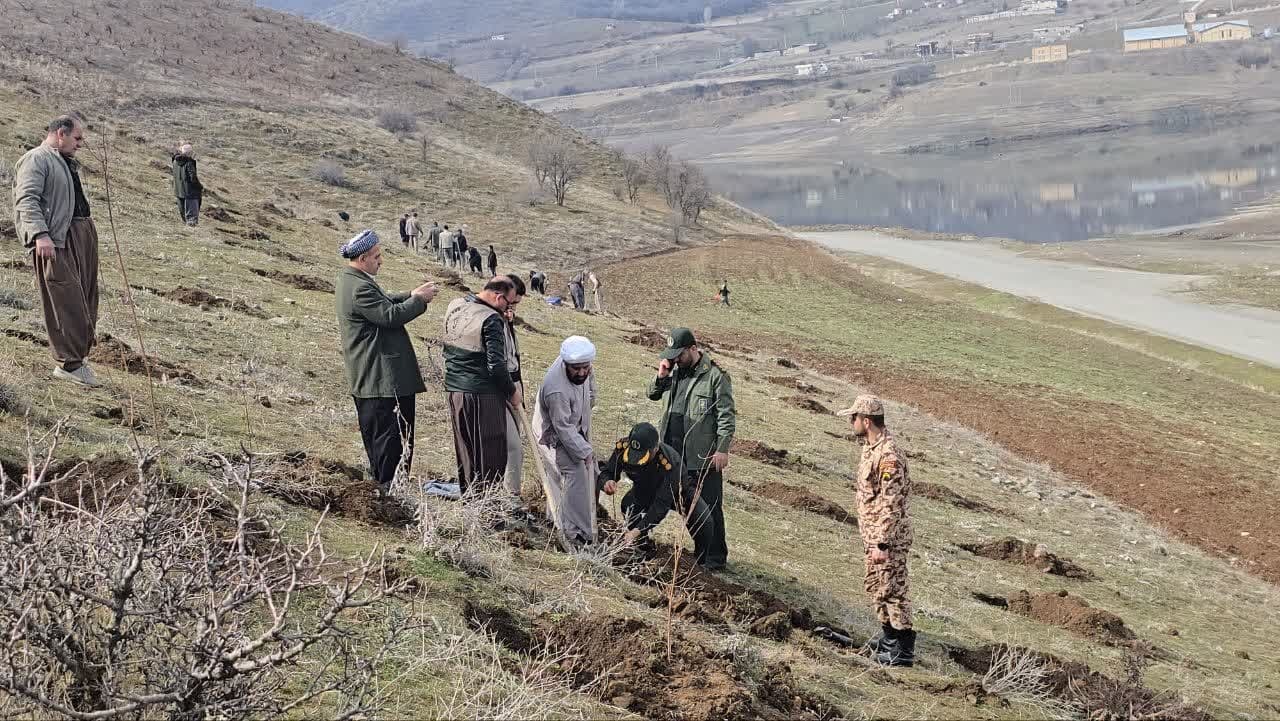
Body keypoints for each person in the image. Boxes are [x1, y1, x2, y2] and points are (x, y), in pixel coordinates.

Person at [335, 230, 438, 494]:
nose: (380, 261)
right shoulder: (359, 288)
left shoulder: (353, 280)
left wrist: (409, 294)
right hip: (381, 378)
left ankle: (385, 486)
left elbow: (384, 300)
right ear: (362, 258)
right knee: (391, 439)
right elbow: (389, 316)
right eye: (376, 256)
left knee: (384, 437)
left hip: (375, 378)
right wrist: (419, 300)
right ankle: (388, 492)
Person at [13, 115, 102, 387]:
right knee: (66, 298)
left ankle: (78, 360)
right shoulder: (36, 159)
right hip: (56, 241)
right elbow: (26, 199)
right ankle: (69, 365)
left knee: (86, 297)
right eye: (76, 138)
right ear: (60, 134)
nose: (79, 144)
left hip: (79, 236)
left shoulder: (62, 160)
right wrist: (40, 235)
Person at [836, 394, 916, 667]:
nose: (851, 422)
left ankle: (902, 651)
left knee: (893, 590)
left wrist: (882, 543)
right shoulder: (871, 448)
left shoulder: (888, 455)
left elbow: (891, 504)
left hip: (888, 539)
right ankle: (888, 639)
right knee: (877, 587)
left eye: (854, 418)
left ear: (866, 421)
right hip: (873, 536)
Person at [647, 327, 735, 570]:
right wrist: (662, 375)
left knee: (710, 507)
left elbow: (726, 417)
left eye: (679, 354)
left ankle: (715, 559)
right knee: (689, 507)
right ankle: (701, 553)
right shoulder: (674, 373)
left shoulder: (716, 377)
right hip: (673, 454)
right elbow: (652, 394)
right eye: (672, 355)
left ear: (693, 349)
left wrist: (723, 449)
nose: (675, 359)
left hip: (702, 457)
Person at [442, 276, 521, 493]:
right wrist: (512, 392)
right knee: (490, 454)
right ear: (498, 297)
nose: (508, 309)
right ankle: (489, 508)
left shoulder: (455, 306)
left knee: (466, 451)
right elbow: (496, 365)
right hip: (483, 395)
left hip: (456, 391)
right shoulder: (491, 319)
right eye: (509, 303)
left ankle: (470, 502)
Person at [599, 422, 715, 564]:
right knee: (628, 505)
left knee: (704, 521)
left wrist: (637, 530)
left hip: (678, 492)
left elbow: (661, 506)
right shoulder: (622, 449)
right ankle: (643, 546)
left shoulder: (669, 464)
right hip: (645, 490)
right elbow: (609, 471)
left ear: (655, 449)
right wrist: (607, 482)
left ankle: (699, 563)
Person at [532, 336, 599, 545]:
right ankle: (576, 533)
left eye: (585, 368)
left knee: (592, 470)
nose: (581, 373)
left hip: (573, 427)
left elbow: (591, 392)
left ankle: (561, 520)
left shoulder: (586, 369)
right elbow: (562, 428)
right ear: (566, 364)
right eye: (576, 369)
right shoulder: (556, 389)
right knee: (576, 473)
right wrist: (584, 451)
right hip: (553, 435)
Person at [500, 274, 529, 515]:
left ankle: (510, 492)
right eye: (512, 303)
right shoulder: (491, 320)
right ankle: (510, 497)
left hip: (515, 385)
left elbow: (513, 358)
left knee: (516, 442)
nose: (513, 309)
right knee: (513, 446)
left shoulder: (505, 320)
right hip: (502, 389)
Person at [171, 142, 203, 226]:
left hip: (178, 191)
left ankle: (187, 229)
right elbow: (193, 178)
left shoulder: (174, 161)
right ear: (189, 153)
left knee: (184, 215)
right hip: (190, 193)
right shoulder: (189, 163)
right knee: (191, 218)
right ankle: (191, 232)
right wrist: (199, 187)